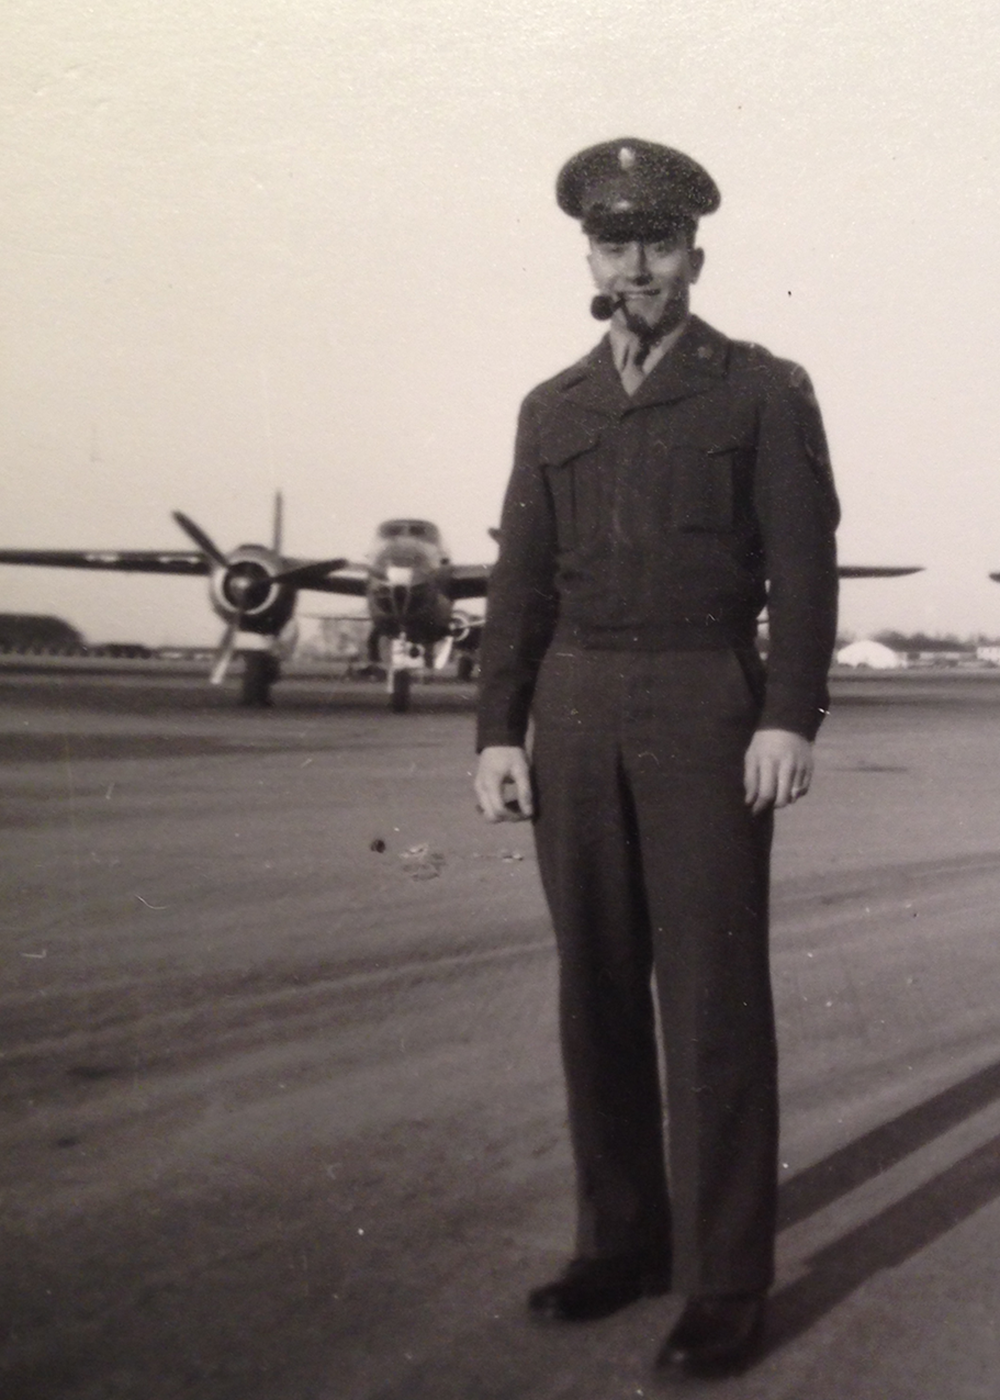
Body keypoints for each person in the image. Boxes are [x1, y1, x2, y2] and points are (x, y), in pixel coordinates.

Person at [474, 138, 839, 1377]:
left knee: (713, 1000)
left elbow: (802, 567)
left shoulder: (760, 389)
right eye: (613, 242)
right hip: (572, 710)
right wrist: (494, 732)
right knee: (594, 989)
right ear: (587, 253)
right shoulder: (551, 406)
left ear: (695, 253)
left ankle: (725, 1277)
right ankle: (618, 1238)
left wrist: (788, 712)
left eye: (659, 241)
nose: (637, 264)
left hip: (703, 705)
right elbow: (519, 586)